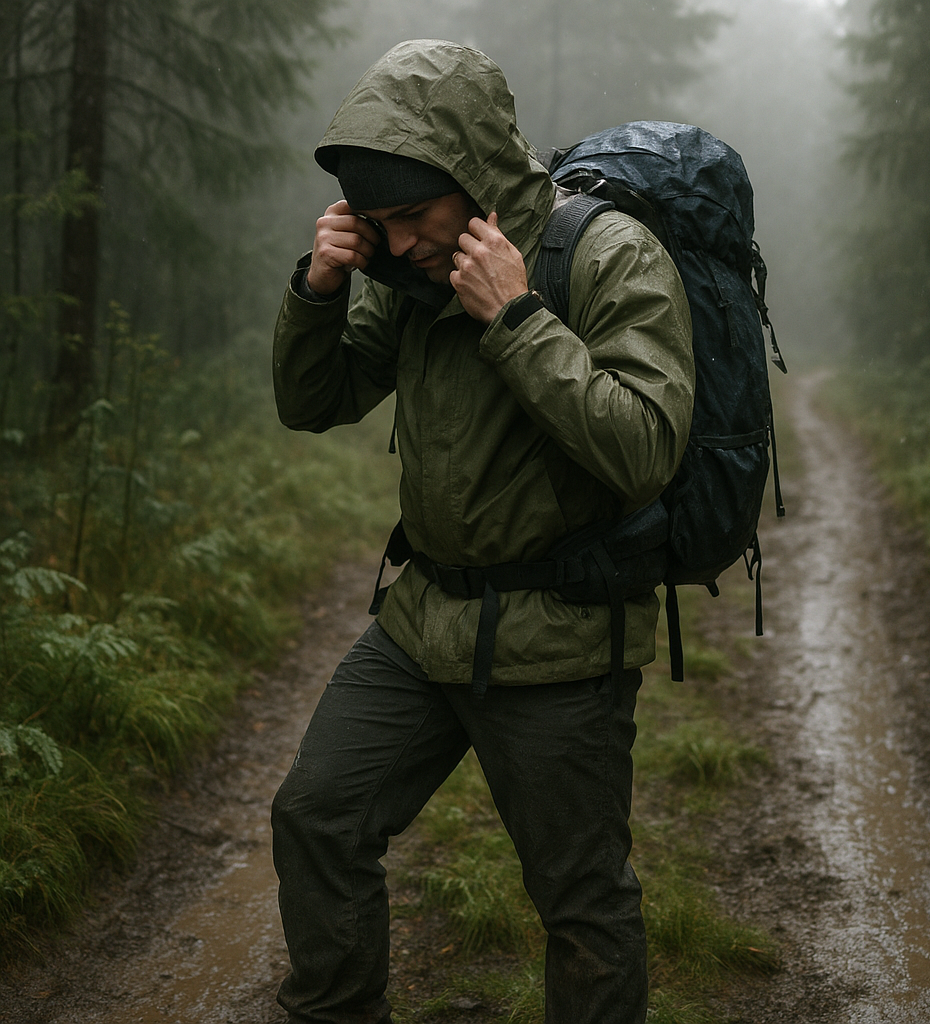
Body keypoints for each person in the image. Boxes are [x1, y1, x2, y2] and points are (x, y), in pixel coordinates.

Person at [270, 39, 694, 1024]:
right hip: (421, 626)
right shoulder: (408, 275)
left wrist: (515, 318)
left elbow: (644, 450)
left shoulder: (605, 254)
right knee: (317, 815)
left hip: (563, 642)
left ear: (473, 179)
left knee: (580, 901)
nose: (400, 241)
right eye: (378, 222)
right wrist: (319, 292)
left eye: (414, 216)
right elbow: (314, 400)